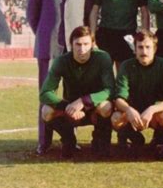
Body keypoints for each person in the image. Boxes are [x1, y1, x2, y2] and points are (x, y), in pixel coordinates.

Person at [27, 0, 94, 155]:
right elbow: (32, 16)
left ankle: (69, 139)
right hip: (49, 47)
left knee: (73, 94)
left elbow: (86, 16)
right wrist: (47, 35)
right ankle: (44, 141)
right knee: (47, 94)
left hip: (75, 49)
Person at [39, 26, 115, 158]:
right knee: (46, 111)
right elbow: (45, 93)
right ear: (71, 45)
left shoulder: (102, 58)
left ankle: (99, 140)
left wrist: (83, 101)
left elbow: (110, 90)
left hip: (93, 108)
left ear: (93, 44)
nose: (82, 49)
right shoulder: (61, 61)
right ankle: (68, 138)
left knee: (106, 107)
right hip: (70, 110)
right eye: (78, 44)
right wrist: (67, 106)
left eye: (86, 44)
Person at [111, 29, 163, 159]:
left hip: (154, 114)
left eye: (148, 47)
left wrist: (152, 109)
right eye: (140, 47)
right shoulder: (126, 66)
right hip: (133, 114)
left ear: (155, 48)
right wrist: (128, 109)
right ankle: (132, 137)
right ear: (134, 49)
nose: (144, 51)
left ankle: (159, 142)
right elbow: (118, 98)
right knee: (116, 118)